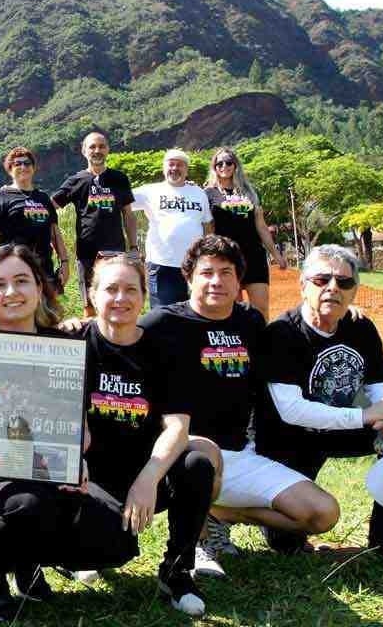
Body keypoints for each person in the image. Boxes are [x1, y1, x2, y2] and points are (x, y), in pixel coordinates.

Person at [0, 245, 138, 621]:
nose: (11, 293)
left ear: (40, 287)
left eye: (22, 281)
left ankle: (27, 561)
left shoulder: (64, 347)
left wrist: (77, 459)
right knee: (29, 504)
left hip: (44, 473)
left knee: (117, 536)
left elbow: (80, 431)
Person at [139, 235, 336, 580]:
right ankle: (198, 542)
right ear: (189, 278)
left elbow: (299, 328)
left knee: (323, 514)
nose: (217, 281)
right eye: (207, 272)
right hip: (186, 457)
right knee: (204, 455)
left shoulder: (250, 322)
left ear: (239, 281)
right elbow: (112, 337)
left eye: (226, 272)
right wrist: (72, 328)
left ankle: (222, 513)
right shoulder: (161, 323)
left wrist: (347, 318)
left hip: (241, 455)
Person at [254, 245, 383, 567]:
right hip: (288, 439)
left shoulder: (361, 327)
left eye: (344, 283)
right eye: (321, 279)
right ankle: (262, 523)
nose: (333, 287)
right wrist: (363, 415)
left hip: (335, 430)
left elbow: (380, 388)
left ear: (354, 292)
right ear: (303, 285)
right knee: (286, 542)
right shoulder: (281, 334)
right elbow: (291, 410)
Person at [68, 253, 215, 615]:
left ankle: (177, 571)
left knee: (197, 463)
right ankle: (67, 555)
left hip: (146, 470)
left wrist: (149, 477)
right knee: (113, 542)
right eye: (111, 289)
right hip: (90, 478)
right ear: (92, 294)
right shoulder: (73, 343)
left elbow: (178, 426)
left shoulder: (164, 349)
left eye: (130, 289)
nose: (121, 298)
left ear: (144, 296)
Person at [51, 131, 138, 315]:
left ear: (107, 150)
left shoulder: (119, 179)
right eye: (92, 146)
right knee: (89, 307)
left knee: (115, 302)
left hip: (116, 252)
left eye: (101, 146)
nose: (97, 150)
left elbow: (128, 215)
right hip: (86, 253)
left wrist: (134, 247)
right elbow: (51, 207)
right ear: (84, 151)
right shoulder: (76, 181)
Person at [204, 147, 287, 320]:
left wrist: (276, 255)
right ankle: (240, 346)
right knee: (233, 310)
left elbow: (261, 226)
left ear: (235, 166)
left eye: (228, 162)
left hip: (254, 256)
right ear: (214, 167)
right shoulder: (207, 193)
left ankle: (263, 346)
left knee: (261, 309)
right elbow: (208, 228)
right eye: (219, 163)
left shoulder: (249, 192)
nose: (224, 166)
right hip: (226, 257)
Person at [131, 149, 213, 309]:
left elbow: (207, 224)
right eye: (171, 164)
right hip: (162, 265)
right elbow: (121, 201)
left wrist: (208, 255)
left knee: (196, 311)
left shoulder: (199, 193)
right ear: (164, 168)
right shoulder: (150, 190)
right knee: (164, 313)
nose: (175, 168)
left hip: (194, 264)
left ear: (186, 170)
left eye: (180, 165)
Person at [0, 145, 71, 291]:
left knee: (46, 311)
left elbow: (55, 233)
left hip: (44, 269)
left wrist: (64, 262)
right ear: (10, 169)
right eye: (17, 164)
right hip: (14, 267)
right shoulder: (2, 196)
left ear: (33, 167)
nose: (23, 166)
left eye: (27, 163)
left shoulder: (43, 198)